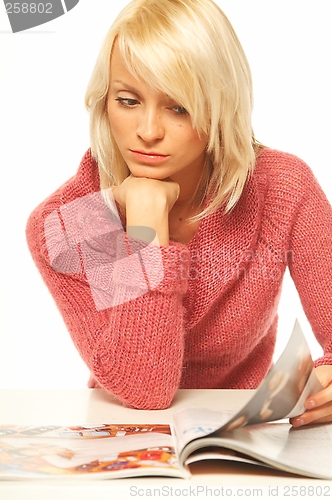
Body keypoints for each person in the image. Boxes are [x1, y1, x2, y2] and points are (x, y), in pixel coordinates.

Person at [26, 0, 332, 423]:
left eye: (179, 107)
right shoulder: (68, 225)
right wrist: (145, 227)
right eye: (128, 100)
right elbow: (145, 388)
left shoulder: (282, 188)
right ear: (104, 100)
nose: (148, 132)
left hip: (242, 437)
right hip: (128, 436)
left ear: (220, 107)